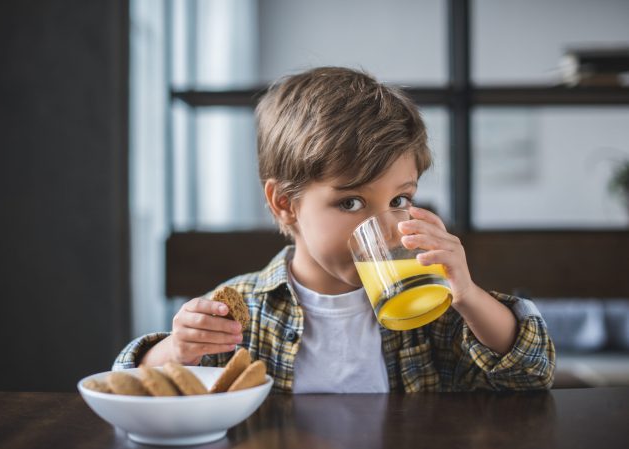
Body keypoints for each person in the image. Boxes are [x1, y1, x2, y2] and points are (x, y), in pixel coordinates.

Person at [114, 67, 555, 393]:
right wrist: (176, 349)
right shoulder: (238, 314)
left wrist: (470, 296)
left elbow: (532, 376)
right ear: (285, 203)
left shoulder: (435, 310)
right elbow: (127, 386)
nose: (387, 230)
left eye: (400, 200)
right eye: (351, 203)